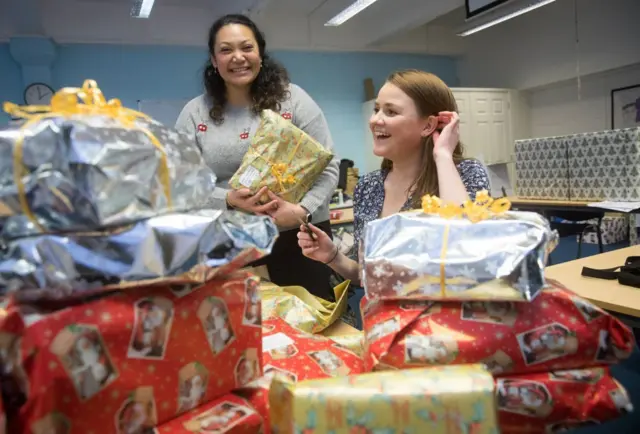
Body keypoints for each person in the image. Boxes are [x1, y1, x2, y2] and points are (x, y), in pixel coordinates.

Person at [175, 14, 339, 300]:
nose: (238, 57)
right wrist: (226, 199)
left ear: (260, 53)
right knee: (246, 328)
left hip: (300, 237)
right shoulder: (194, 113)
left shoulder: (294, 100)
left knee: (314, 327)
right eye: (226, 50)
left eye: (246, 47)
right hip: (232, 239)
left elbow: (328, 166)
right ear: (214, 60)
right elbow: (180, 182)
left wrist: (303, 211)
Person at [297, 69, 490, 285]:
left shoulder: (465, 174)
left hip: (439, 316)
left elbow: (467, 249)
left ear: (428, 125)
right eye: (377, 109)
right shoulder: (369, 186)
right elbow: (370, 276)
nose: (375, 120)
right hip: (382, 316)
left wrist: (443, 155)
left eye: (391, 112)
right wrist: (333, 256)